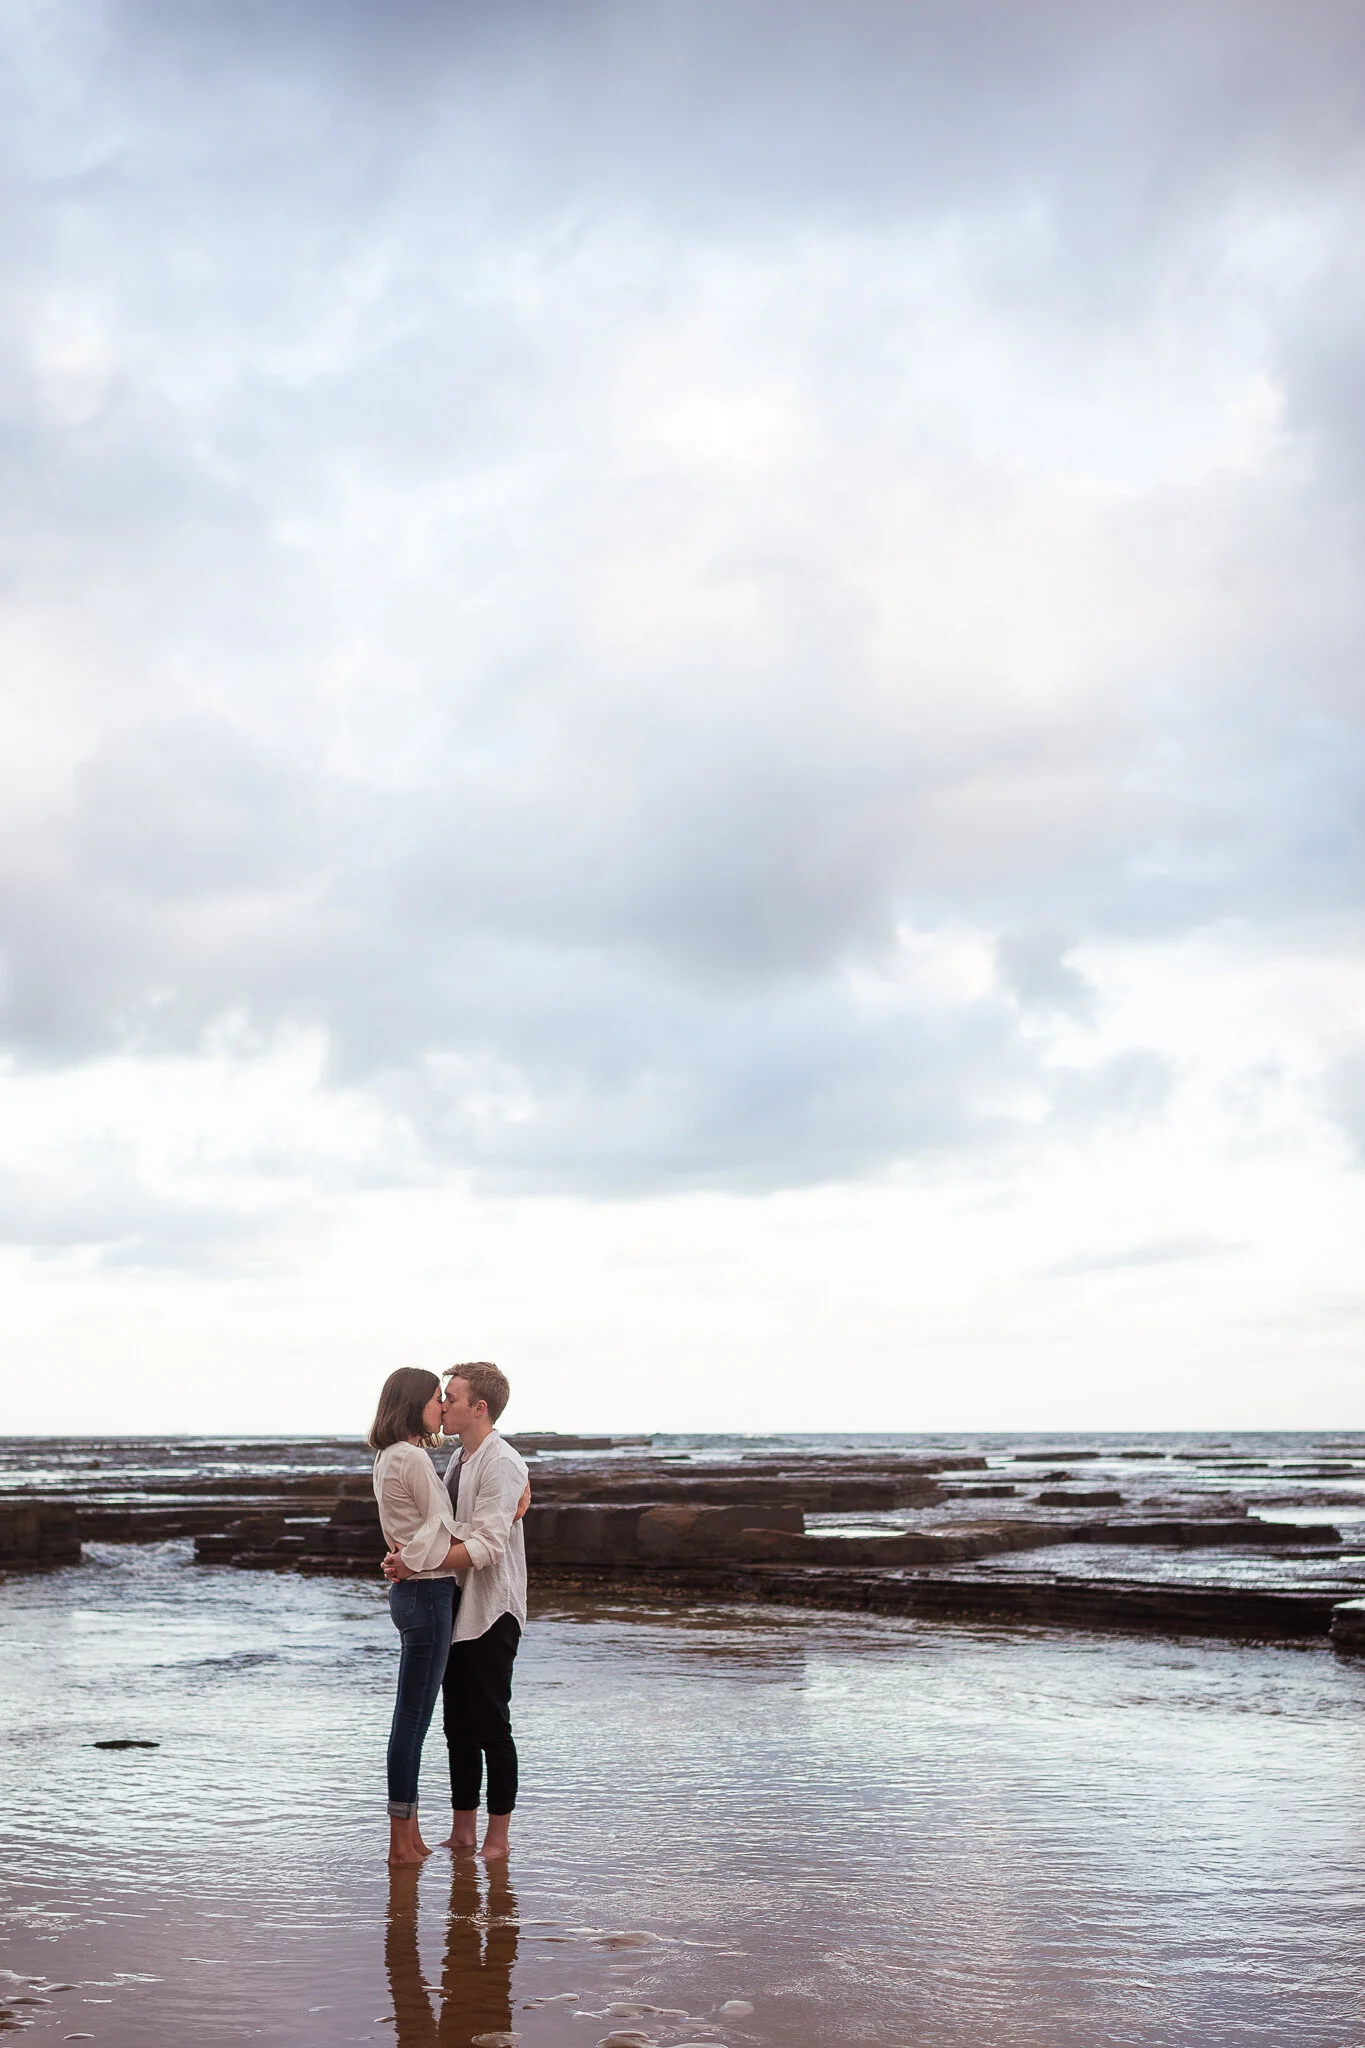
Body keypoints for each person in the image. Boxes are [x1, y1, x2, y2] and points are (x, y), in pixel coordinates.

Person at [371, 1366, 531, 1867]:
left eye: (452, 1397)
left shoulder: (502, 1462)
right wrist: (414, 1556)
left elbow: (483, 1546)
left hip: (492, 1607)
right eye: (440, 1397)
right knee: (457, 1726)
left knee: (490, 1724)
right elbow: (444, 1526)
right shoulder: (458, 1458)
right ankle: (463, 1832)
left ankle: (497, 1839)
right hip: (456, 1605)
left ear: (478, 1408)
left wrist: (413, 1560)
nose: (444, 1405)